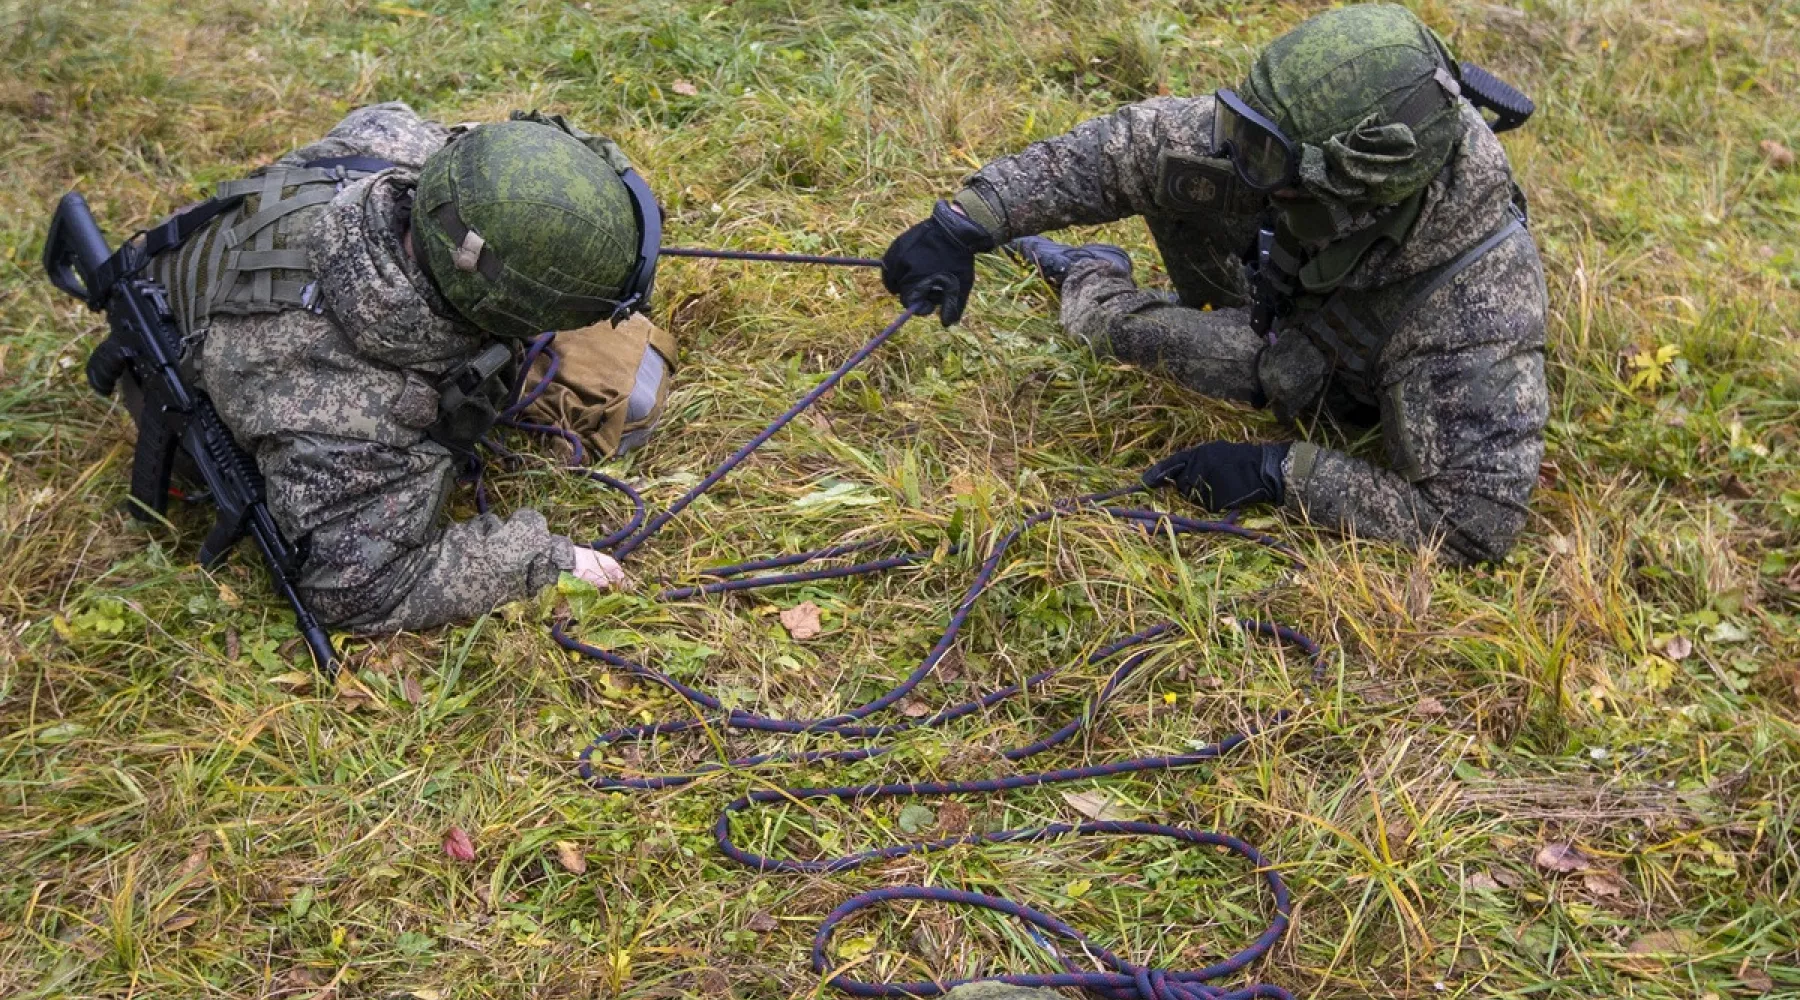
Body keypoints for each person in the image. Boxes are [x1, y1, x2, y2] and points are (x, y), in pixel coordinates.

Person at [881, 3, 1548, 564]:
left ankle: (1091, 271)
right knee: (1177, 180)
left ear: (1356, 190)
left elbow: (1471, 525)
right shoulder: (1291, 136)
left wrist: (1278, 474)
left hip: (1323, 364)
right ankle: (1132, 280)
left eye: (1266, 158)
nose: (1234, 154)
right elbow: (1128, 150)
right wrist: (968, 220)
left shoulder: (1476, 306)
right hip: (1283, 294)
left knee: (1107, 330)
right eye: (1240, 129)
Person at [141, 102, 676, 632]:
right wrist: (542, 565)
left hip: (202, 280)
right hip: (185, 368)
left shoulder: (390, 144)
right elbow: (356, 588)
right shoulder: (356, 414)